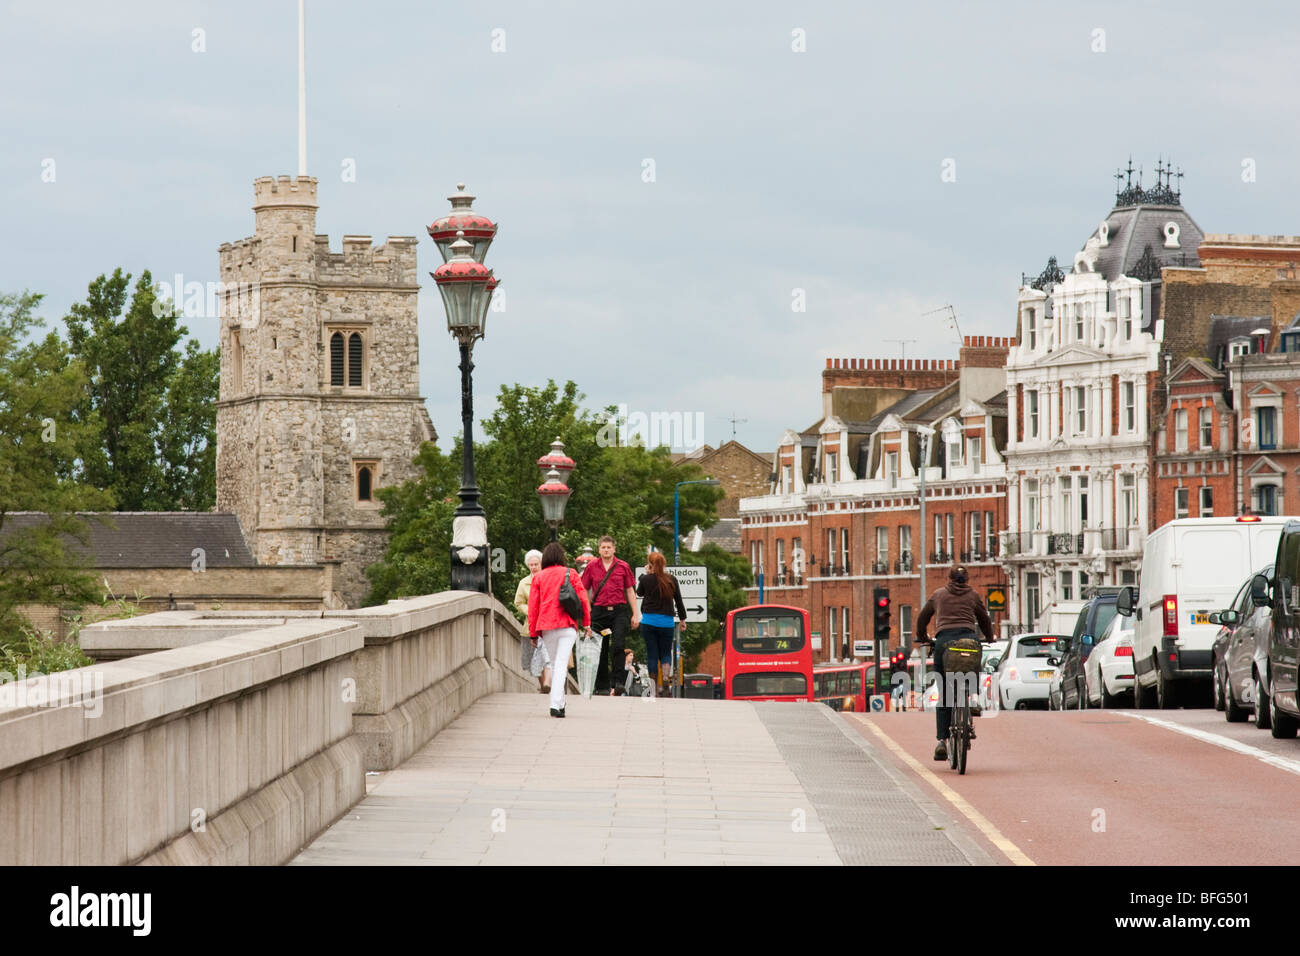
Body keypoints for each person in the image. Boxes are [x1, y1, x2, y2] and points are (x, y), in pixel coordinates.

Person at [916, 564, 994, 761]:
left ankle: (942, 741)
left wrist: (923, 636)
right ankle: (974, 700)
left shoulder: (939, 595)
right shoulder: (973, 596)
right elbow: (984, 619)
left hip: (944, 642)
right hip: (969, 638)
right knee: (974, 663)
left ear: (949, 578)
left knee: (945, 692)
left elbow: (922, 618)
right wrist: (990, 637)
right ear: (966, 580)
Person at [528, 542, 592, 718]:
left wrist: (533, 633)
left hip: (547, 626)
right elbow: (583, 599)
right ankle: (557, 704)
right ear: (561, 557)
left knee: (555, 664)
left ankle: (557, 703)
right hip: (567, 625)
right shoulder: (570, 573)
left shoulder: (539, 577)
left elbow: (533, 608)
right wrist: (586, 623)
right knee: (561, 664)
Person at [579, 535, 639, 693]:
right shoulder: (592, 566)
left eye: (609, 547)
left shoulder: (623, 566)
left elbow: (630, 591)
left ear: (614, 549)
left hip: (618, 611)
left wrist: (635, 614)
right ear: (599, 549)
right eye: (603, 547)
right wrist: (588, 609)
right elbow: (584, 588)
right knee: (600, 648)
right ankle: (602, 685)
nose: (606, 550)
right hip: (599, 611)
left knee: (619, 645)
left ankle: (618, 682)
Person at [636, 550, 688, 698]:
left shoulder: (646, 579)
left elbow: (639, 593)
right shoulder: (671, 579)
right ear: (664, 564)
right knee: (665, 653)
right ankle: (665, 679)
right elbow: (679, 600)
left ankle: (653, 688)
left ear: (650, 564)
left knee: (652, 654)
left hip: (649, 622)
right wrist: (682, 619)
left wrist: (644, 575)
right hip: (666, 623)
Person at [513, 549, 552, 693]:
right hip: (531, 625)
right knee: (534, 659)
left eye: (536, 564)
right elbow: (518, 602)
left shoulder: (548, 580)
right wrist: (529, 611)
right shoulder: (524, 583)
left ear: (541, 564)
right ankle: (544, 685)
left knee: (547, 655)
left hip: (548, 623)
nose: (534, 567)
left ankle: (547, 683)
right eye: (531, 565)